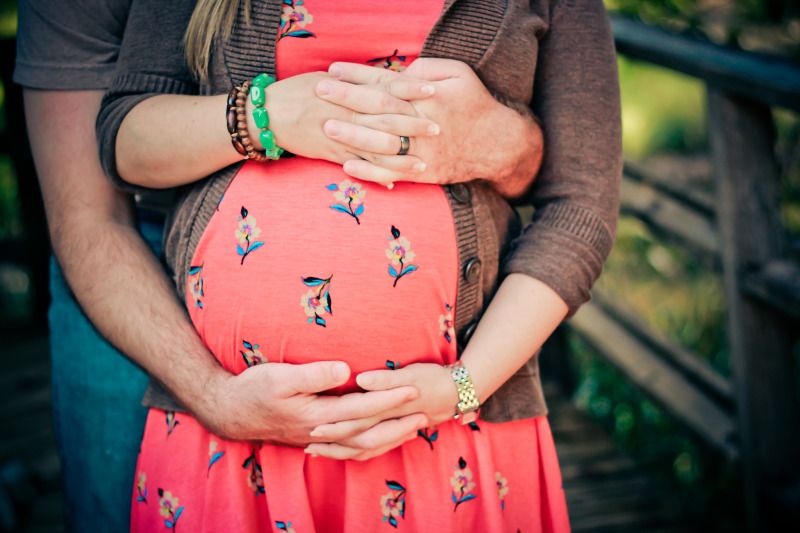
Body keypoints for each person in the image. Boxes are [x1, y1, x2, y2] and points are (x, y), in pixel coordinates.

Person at [98, 0, 621, 530]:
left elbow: (580, 207)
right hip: (232, 434)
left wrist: (465, 385)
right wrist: (262, 116)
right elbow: (125, 143)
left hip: (450, 430)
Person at [15, 0, 507, 529]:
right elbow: (88, 216)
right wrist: (211, 395)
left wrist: (510, 142)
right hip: (139, 262)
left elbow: (564, 172)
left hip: (434, 366)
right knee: (111, 504)